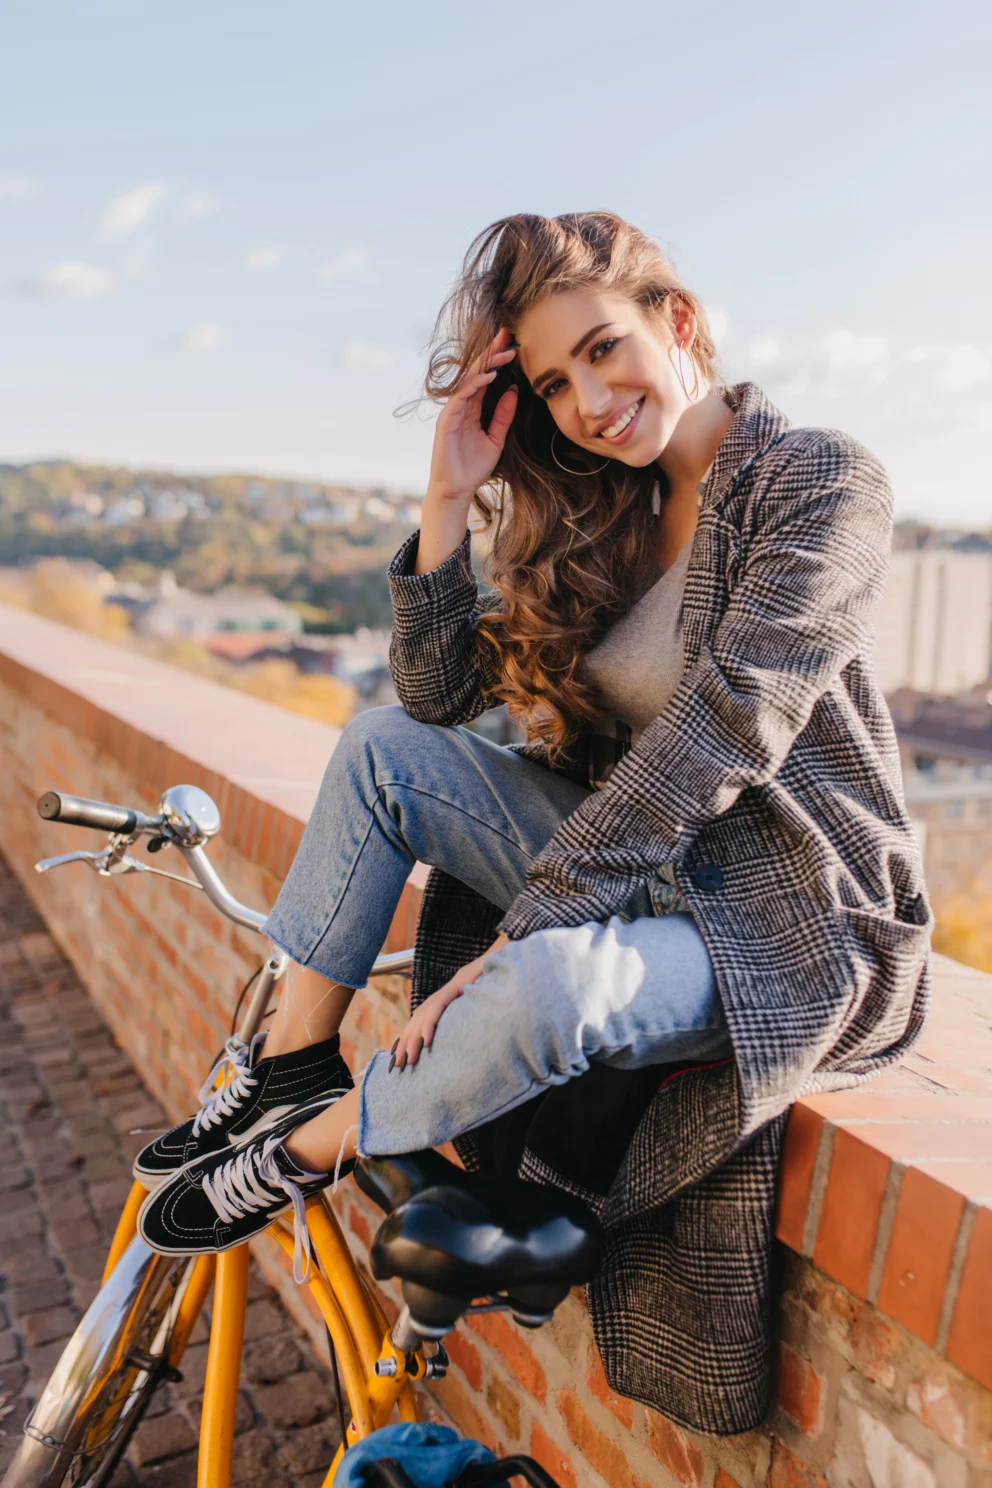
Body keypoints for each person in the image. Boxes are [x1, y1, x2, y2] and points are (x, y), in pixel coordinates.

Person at [135, 213, 930, 1430]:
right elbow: (436, 701)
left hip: (788, 917)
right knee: (380, 751)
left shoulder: (817, 477)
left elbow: (729, 726)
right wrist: (450, 495)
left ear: (678, 322)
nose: (590, 400)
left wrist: (528, 929)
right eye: (556, 382)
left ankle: (308, 1149)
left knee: (547, 993)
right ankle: (292, 1067)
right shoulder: (602, 511)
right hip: (636, 872)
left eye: (605, 350)